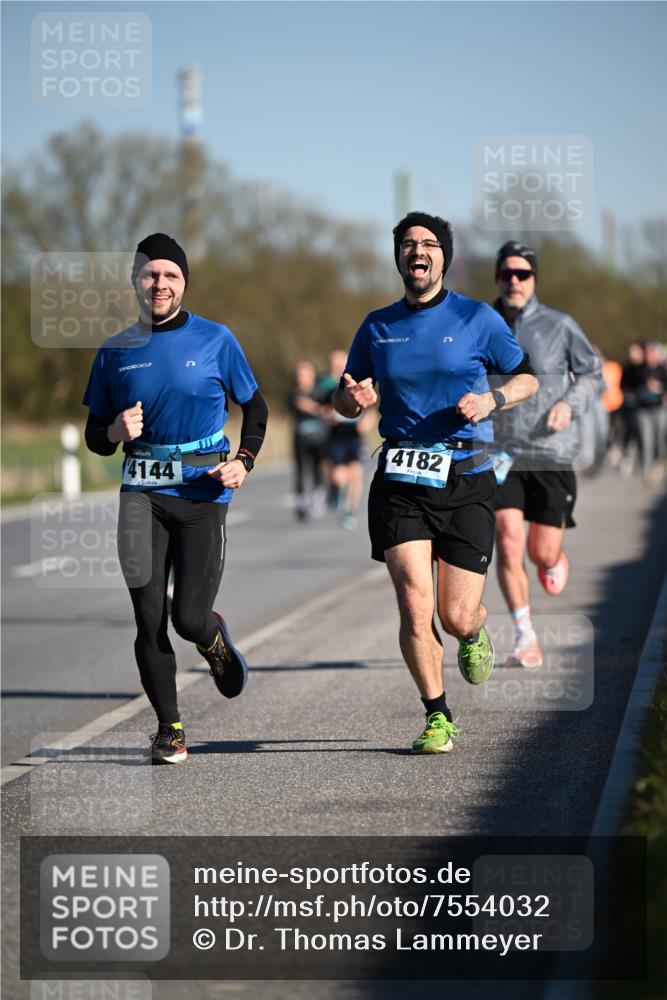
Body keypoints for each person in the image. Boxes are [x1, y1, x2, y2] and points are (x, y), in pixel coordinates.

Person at [333, 213, 538, 755]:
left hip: (467, 479)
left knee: (454, 613)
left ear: (443, 257)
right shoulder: (376, 325)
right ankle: (437, 715)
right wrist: (349, 401)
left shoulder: (477, 317)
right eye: (407, 245)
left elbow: (528, 376)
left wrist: (493, 399)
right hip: (399, 481)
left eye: (428, 245)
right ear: (398, 258)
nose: (417, 252)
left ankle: (472, 631)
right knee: (412, 604)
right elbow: (345, 394)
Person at [83, 233, 268, 764]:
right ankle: (170, 727)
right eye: (150, 274)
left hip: (202, 494)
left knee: (187, 618)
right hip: (141, 493)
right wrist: (115, 431)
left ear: (184, 283)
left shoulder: (216, 339)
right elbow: (95, 434)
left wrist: (245, 460)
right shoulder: (114, 350)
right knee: (147, 618)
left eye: (171, 276)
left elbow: (256, 410)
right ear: (135, 281)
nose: (159, 284)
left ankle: (212, 641)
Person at [491, 241, 602, 668]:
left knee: (541, 551)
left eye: (522, 274)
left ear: (534, 278)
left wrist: (568, 406)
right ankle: (524, 636)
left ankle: (552, 559)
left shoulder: (560, 325)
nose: (514, 282)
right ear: (498, 279)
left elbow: (591, 373)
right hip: (501, 452)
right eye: (506, 274)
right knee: (507, 538)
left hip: (551, 452)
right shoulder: (483, 323)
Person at [318, 349, 375, 530]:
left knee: (355, 474)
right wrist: (329, 416)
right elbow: (322, 410)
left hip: (353, 436)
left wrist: (367, 422)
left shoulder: (358, 383)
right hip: (335, 436)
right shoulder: (327, 387)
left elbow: (373, 408)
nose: (337, 367)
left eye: (340, 363)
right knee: (338, 476)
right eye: (333, 363)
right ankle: (336, 492)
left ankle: (349, 510)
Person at [287, 360, 328, 521]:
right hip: (300, 437)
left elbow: (328, 409)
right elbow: (299, 405)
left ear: (312, 375)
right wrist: (318, 409)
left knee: (318, 467)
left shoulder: (321, 392)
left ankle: (318, 499)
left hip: (319, 438)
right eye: (298, 374)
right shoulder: (293, 394)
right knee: (300, 469)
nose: (301, 377)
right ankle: (301, 502)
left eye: (304, 373)